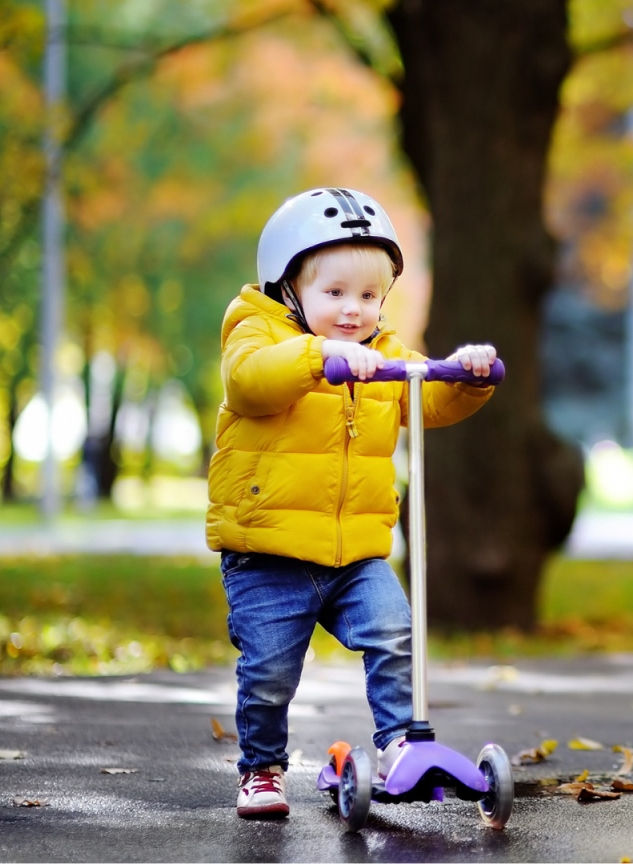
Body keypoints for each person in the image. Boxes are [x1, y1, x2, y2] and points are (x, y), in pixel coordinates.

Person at [206, 187, 498, 819]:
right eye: (334, 292)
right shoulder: (256, 332)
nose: (352, 310)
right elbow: (249, 383)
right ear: (289, 286)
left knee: (395, 633)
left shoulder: (382, 354)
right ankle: (262, 769)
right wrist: (321, 357)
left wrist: (467, 376)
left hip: (356, 555)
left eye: (368, 296)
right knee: (270, 673)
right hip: (268, 552)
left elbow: (428, 398)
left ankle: (398, 744)